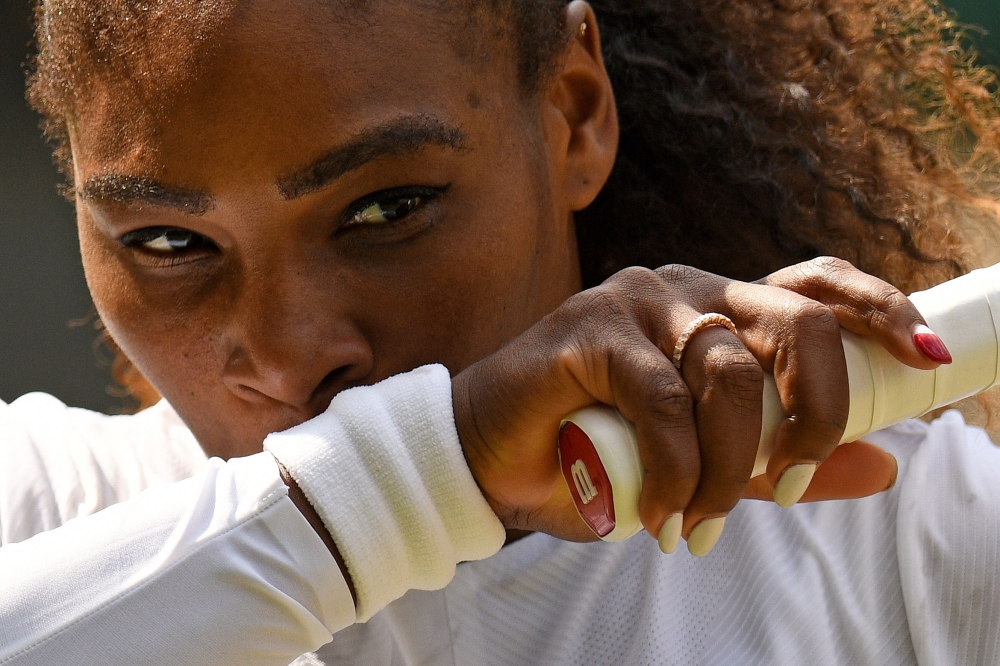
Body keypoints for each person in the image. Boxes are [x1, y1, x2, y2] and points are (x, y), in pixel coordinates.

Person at [1, 0, 999, 664]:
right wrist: (426, 478)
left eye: (390, 209)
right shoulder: (45, 506)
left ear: (574, 116)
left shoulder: (904, 535)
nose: (289, 350)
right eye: (168, 241)